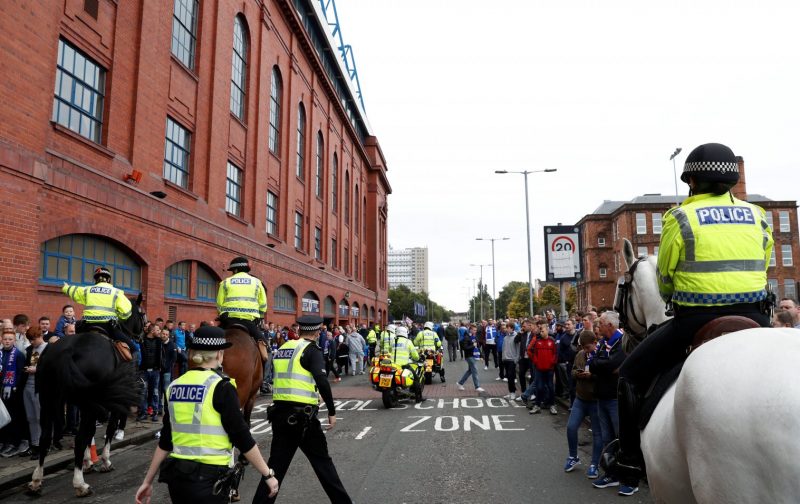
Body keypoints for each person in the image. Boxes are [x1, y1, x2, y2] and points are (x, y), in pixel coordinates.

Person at [614, 143, 774, 497]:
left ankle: (627, 461)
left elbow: (666, 273)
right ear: (732, 179)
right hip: (756, 317)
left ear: (692, 180)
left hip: (696, 318)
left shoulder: (680, 217)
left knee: (628, 375)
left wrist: (673, 295)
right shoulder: (757, 214)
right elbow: (764, 264)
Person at [135, 326, 279, 504]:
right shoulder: (222, 387)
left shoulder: (174, 386)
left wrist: (147, 481)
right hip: (210, 479)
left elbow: (165, 441)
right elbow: (242, 436)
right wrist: (267, 474)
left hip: (177, 479)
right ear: (220, 354)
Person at [253, 315, 352, 503]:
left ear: (299, 329)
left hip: (279, 414)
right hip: (303, 418)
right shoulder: (312, 350)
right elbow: (322, 381)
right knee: (323, 463)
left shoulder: (284, 348)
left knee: (275, 468)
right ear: (317, 331)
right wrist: (331, 411)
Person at [61, 266, 135, 359]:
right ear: (109, 279)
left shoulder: (87, 290)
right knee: (134, 349)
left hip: (87, 326)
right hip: (109, 327)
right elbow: (126, 313)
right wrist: (118, 317)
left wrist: (65, 287)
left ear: (95, 279)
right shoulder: (117, 292)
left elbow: (73, 291)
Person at [564, 330, 603, 479]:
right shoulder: (580, 355)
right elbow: (573, 371)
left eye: (587, 348)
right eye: (583, 347)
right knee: (571, 427)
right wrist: (578, 374)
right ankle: (573, 457)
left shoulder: (600, 354)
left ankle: (594, 464)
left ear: (595, 343)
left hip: (595, 400)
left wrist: (591, 375)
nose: (585, 351)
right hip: (581, 398)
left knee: (597, 433)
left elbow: (604, 374)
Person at [216, 256, 269, 361]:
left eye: (232, 271)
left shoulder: (225, 282)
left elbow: (219, 304)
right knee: (266, 349)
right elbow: (263, 304)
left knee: (211, 342)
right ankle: (266, 376)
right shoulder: (257, 282)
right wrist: (260, 316)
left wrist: (222, 314)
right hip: (250, 322)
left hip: (229, 321)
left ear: (235, 270)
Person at [529, 320, 558, 415]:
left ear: (547, 330)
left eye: (543, 331)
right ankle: (537, 405)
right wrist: (536, 362)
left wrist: (552, 363)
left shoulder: (552, 341)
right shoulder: (537, 342)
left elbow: (555, 354)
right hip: (539, 369)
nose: (541, 333)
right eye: (540, 331)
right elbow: (533, 353)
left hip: (549, 369)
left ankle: (552, 405)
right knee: (539, 387)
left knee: (550, 387)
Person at [456, 325, 485, 393]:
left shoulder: (475, 337)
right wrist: (472, 345)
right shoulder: (466, 337)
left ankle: (460, 383)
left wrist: (481, 356)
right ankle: (477, 386)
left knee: (470, 371)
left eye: (476, 330)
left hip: (474, 356)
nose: (475, 331)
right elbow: (465, 348)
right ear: (470, 330)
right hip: (469, 356)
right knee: (474, 370)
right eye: (474, 330)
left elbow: (477, 347)